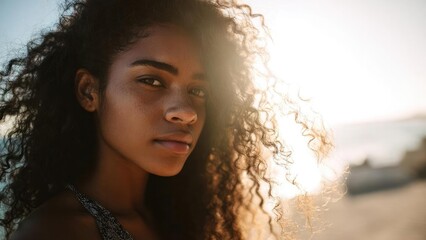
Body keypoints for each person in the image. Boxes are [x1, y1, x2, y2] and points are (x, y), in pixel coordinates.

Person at [0, 0, 331, 239]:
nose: (186, 111)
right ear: (90, 92)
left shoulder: (179, 214)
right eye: (151, 81)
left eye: (198, 90)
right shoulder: (57, 233)